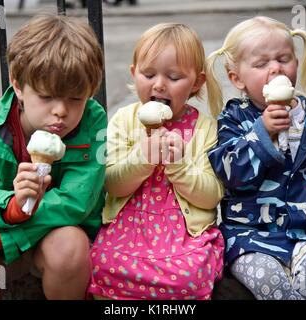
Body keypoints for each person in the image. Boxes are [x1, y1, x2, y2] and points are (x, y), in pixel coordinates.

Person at [0, 14, 106, 300]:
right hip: (0, 250)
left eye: (75, 98)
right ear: (18, 85)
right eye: (47, 97)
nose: (61, 111)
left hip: (54, 239)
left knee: (69, 247)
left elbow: (77, 204)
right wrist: (10, 207)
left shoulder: (92, 121)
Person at [206, 16, 306, 300]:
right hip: (250, 237)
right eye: (261, 64)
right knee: (268, 280)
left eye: (284, 58)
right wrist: (261, 133)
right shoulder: (233, 120)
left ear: (297, 62)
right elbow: (228, 171)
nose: (276, 68)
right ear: (236, 78)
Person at [87, 23, 225, 300]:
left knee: (189, 275)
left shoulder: (204, 128)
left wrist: (179, 165)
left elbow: (211, 197)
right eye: (148, 74)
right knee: (100, 263)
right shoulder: (124, 120)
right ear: (133, 73)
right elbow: (112, 184)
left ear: (196, 83)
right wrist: (142, 158)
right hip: (128, 230)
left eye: (174, 77)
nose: (159, 84)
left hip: (183, 235)